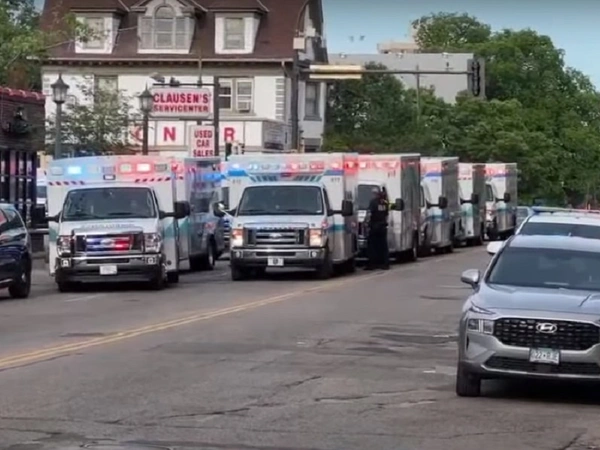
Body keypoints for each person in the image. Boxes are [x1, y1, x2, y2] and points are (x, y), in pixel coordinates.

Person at [365, 187, 390, 270]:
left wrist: (366, 223)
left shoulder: (373, 202)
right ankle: (385, 263)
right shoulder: (385, 203)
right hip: (383, 227)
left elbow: (369, 214)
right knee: (383, 246)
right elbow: (386, 214)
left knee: (372, 246)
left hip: (374, 227)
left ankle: (372, 264)